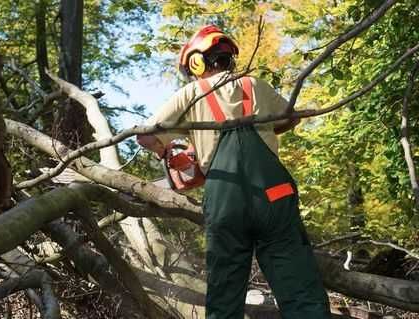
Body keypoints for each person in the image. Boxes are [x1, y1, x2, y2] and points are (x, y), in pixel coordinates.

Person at [137, 25, 331, 319]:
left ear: (197, 62)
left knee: (225, 291)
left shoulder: (190, 93)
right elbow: (290, 119)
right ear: (230, 58)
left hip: (226, 200)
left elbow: (145, 136)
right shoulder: (256, 86)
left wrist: (173, 151)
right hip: (273, 195)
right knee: (300, 289)